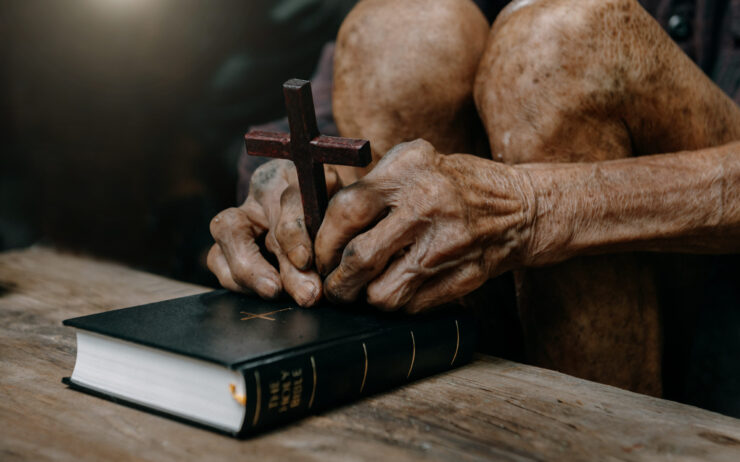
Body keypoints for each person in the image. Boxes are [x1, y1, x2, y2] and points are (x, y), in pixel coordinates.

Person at [208, 0, 740, 404]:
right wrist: (287, 182)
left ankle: (605, 435)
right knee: (401, 30)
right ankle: (430, 422)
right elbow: (319, 118)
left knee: (562, 49)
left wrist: (533, 208)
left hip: (715, 278)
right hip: (498, 295)